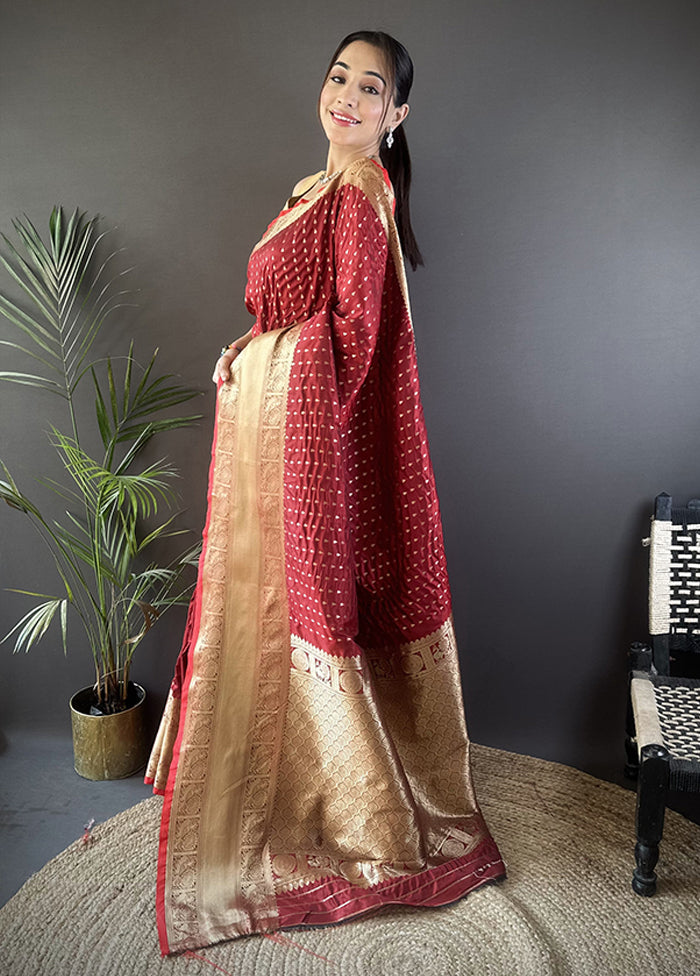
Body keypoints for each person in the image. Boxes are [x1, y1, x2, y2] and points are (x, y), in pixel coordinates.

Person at [146, 30, 505, 956]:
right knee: (292, 612)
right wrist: (248, 344)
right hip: (280, 437)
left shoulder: (359, 199)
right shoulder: (314, 191)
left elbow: (350, 340)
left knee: (310, 615)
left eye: (370, 87)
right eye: (338, 76)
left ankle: (356, 815)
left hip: (312, 451)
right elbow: (291, 315)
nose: (346, 95)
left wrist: (266, 356)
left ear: (398, 115)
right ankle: (291, 781)